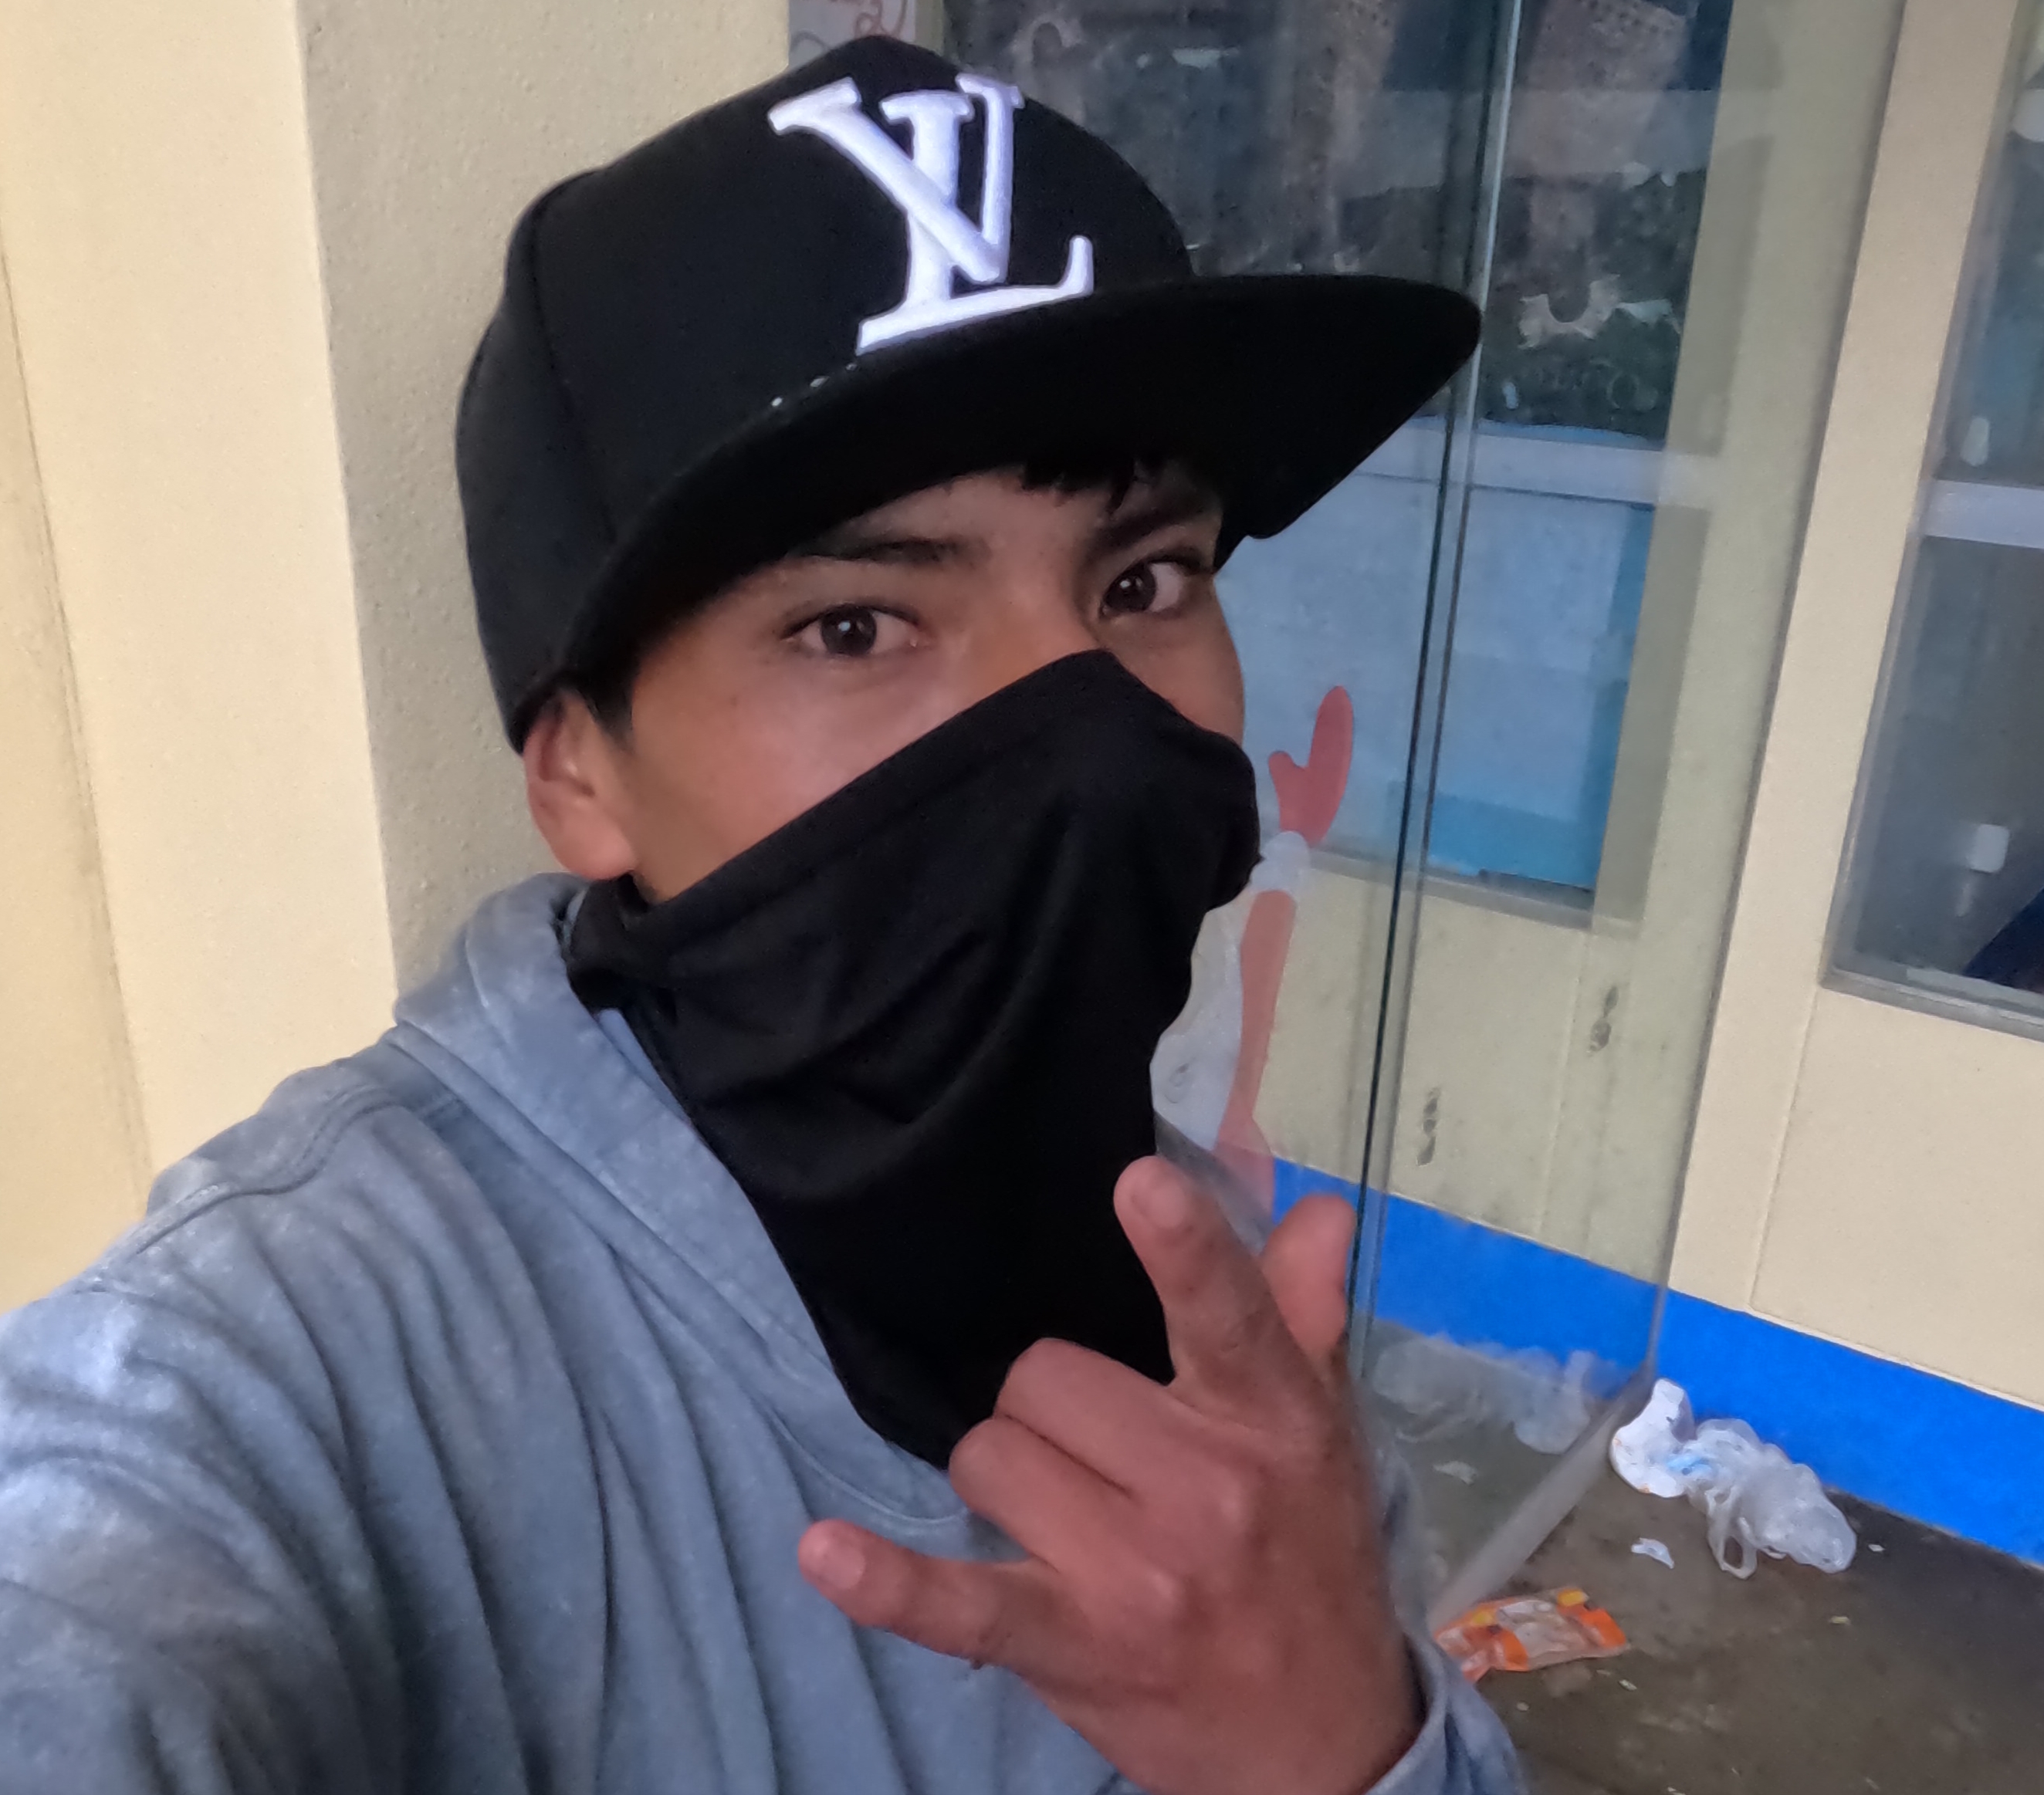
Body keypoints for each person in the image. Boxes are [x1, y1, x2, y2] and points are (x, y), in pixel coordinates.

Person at [0, 39, 1520, 1795]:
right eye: (856, 624)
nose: (1085, 724)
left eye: (1142, 578)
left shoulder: (1234, 1311)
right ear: (581, 772)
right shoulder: (303, 1353)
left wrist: (1346, 1747)